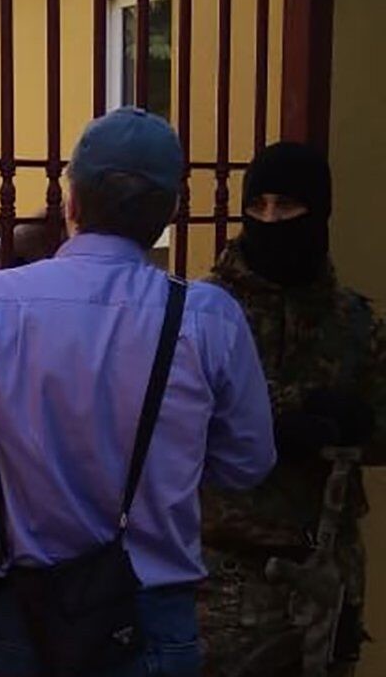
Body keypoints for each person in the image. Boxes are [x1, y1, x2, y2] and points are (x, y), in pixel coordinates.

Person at [0, 108, 277, 677]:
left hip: (28, 613)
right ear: (169, 211)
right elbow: (248, 463)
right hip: (153, 614)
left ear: (72, 201)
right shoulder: (209, 316)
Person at [200, 142, 386, 677]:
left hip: (326, 569)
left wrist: (360, 424)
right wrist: (275, 421)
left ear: (320, 213)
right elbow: (175, 412)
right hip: (227, 571)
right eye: (259, 205)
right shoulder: (206, 310)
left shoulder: (353, 321)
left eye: (288, 206)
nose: (271, 219)